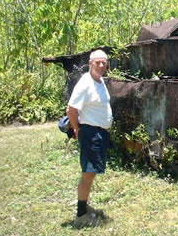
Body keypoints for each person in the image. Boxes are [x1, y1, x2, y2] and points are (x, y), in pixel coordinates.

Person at [66, 49, 112, 228]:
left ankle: (84, 205)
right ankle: (81, 216)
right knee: (88, 174)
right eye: (97, 62)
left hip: (99, 133)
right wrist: (77, 128)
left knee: (90, 174)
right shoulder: (85, 83)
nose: (101, 65)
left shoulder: (99, 80)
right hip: (91, 133)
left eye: (104, 62)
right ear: (90, 63)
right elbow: (71, 109)